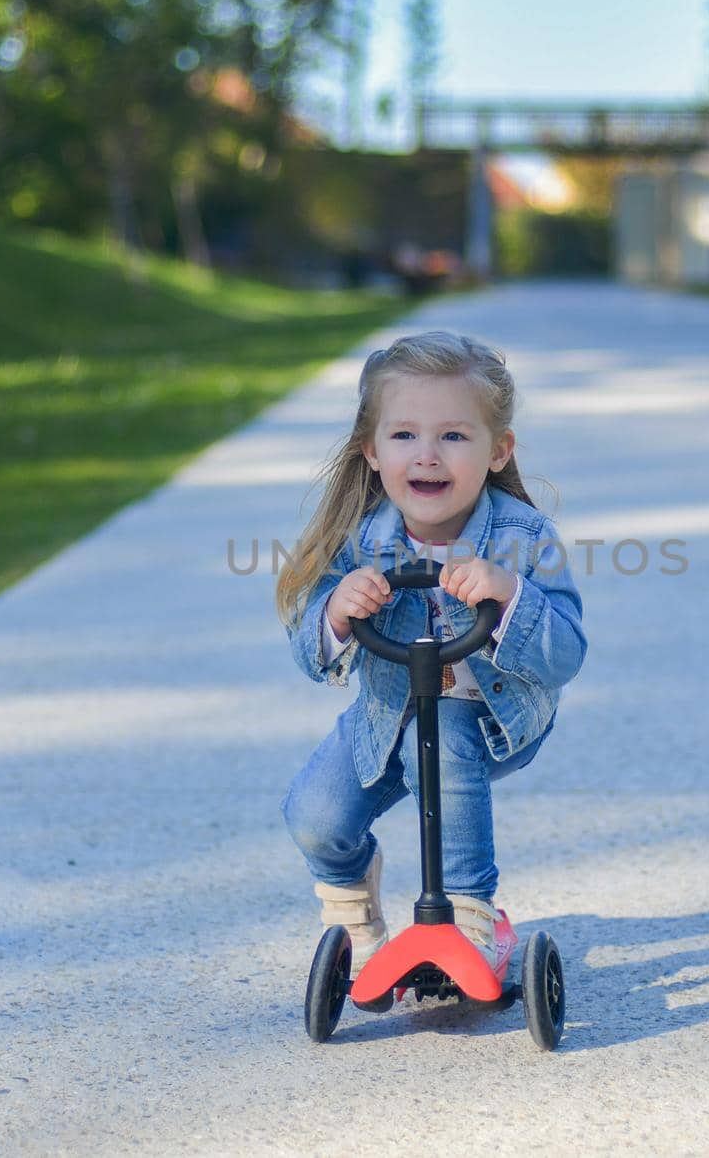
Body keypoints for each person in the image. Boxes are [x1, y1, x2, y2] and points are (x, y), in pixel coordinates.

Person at [274, 331, 587, 970]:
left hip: (497, 722)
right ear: (371, 450)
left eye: (453, 436)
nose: (428, 456)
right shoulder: (358, 541)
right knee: (315, 816)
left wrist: (509, 596)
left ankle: (467, 915)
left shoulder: (525, 537)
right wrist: (337, 611)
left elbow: (567, 654)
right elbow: (311, 653)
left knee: (442, 735)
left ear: (497, 451)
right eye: (404, 436)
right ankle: (353, 915)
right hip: (385, 721)